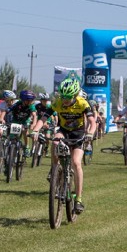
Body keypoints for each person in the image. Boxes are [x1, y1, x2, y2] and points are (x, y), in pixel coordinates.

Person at [41, 78, 96, 214]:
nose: (65, 100)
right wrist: (36, 130)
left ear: (75, 95)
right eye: (63, 97)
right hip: (64, 131)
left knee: (76, 163)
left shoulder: (82, 103)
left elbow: (92, 121)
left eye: (68, 97)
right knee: (55, 141)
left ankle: (78, 199)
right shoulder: (57, 103)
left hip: (78, 134)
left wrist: (90, 133)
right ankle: (55, 169)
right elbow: (44, 118)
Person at [7, 89, 38, 159]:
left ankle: (27, 147)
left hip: (25, 121)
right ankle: (11, 151)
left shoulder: (31, 106)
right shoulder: (17, 104)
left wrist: (33, 123)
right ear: (24, 100)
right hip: (16, 120)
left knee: (25, 131)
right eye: (29, 100)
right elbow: (9, 110)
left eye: (31, 100)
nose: (30, 102)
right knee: (12, 137)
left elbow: (34, 115)